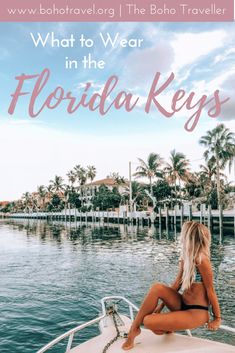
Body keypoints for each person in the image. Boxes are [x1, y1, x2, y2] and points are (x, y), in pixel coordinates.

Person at [122, 221, 221, 350]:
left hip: (196, 312)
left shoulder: (202, 260)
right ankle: (133, 330)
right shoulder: (186, 258)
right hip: (182, 304)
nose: (181, 237)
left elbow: (211, 290)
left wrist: (217, 318)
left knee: (148, 321)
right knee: (157, 287)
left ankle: (167, 327)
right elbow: (176, 284)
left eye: (183, 234)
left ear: (190, 237)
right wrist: (160, 306)